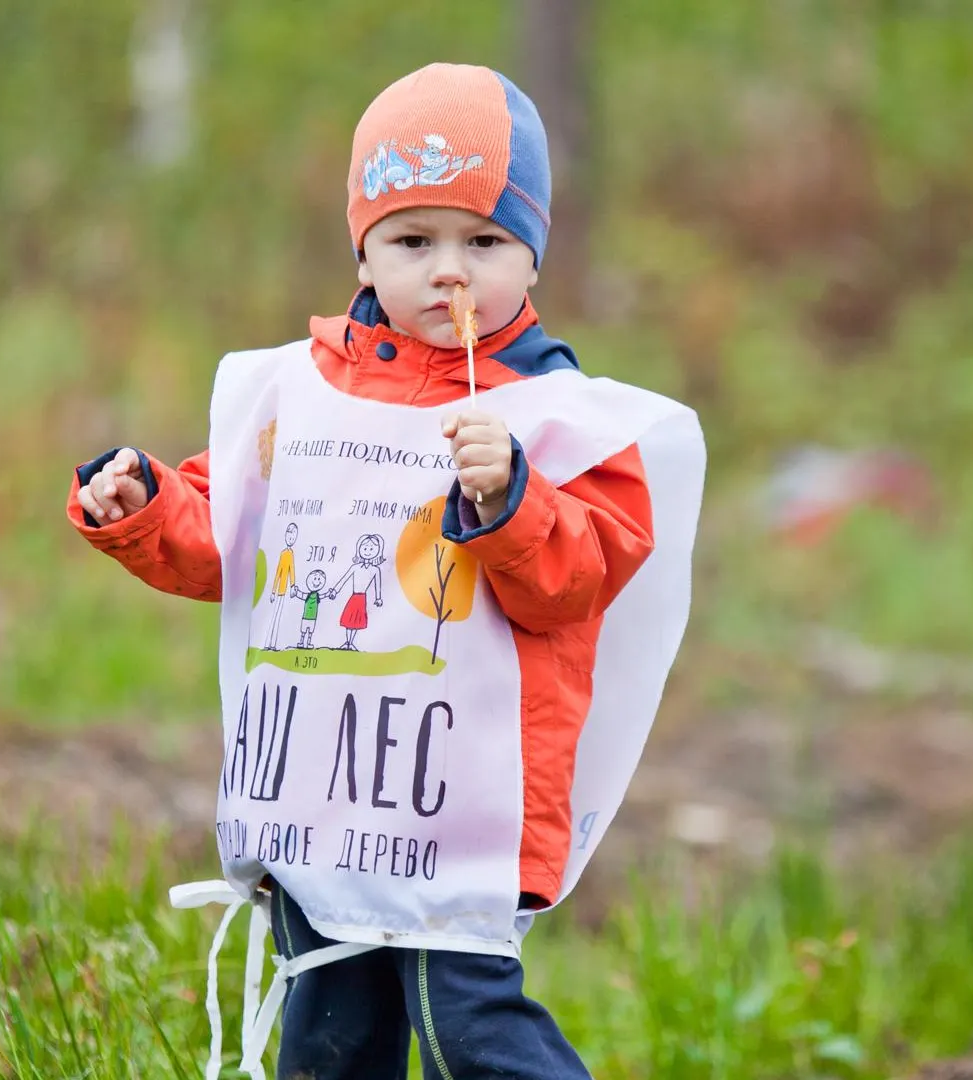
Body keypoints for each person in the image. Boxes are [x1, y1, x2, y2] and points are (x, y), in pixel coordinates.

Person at [69, 62, 704, 1080]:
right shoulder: (303, 399)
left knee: (469, 1032)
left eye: (485, 242)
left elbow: (575, 581)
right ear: (363, 252)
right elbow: (234, 542)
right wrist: (144, 505)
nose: (450, 272)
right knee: (328, 1041)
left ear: (533, 259)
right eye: (415, 241)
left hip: (467, 809)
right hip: (322, 804)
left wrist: (509, 497)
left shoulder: (562, 422)